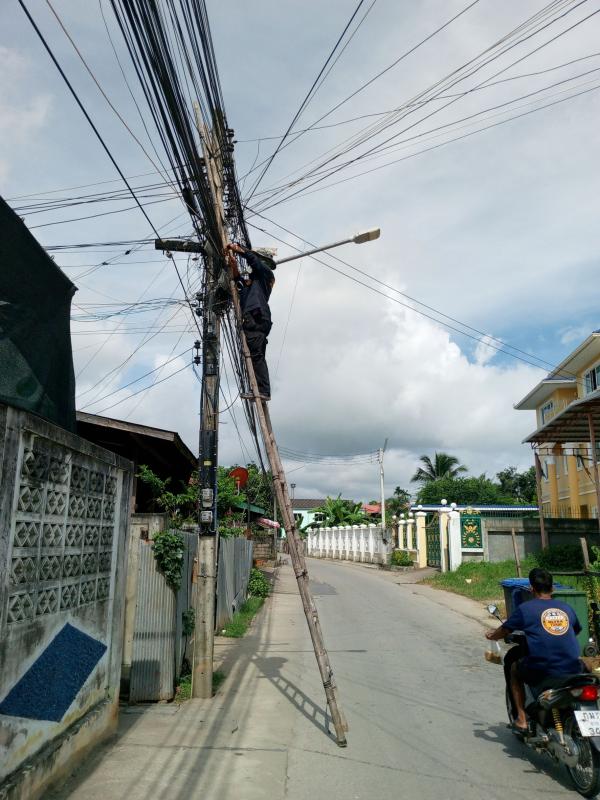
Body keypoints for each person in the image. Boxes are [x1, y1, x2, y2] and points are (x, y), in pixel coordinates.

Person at [485, 567, 584, 733]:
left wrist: (492, 636)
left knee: (515, 669)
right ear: (552, 588)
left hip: (545, 670)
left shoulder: (526, 609)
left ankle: (522, 719)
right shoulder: (566, 608)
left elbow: (505, 630)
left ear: (531, 588)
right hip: (574, 668)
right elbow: (575, 630)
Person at [226, 242, 276, 400]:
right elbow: (239, 283)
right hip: (252, 320)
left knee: (257, 356)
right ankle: (259, 390)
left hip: (257, 319)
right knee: (255, 356)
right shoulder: (253, 285)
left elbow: (254, 261)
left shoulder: (266, 275)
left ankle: (263, 390)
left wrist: (239, 250)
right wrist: (234, 265)